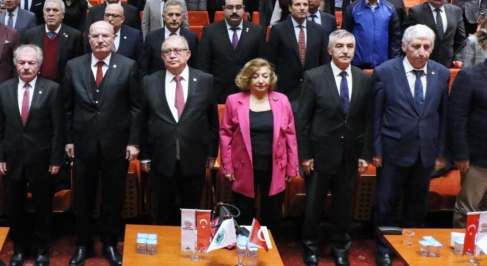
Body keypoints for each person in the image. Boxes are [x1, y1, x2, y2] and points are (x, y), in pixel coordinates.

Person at [63, 21, 143, 266]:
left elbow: (137, 108)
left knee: (113, 198)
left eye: (105, 36)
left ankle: (109, 243)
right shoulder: (73, 66)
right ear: (88, 39)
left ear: (113, 39)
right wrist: (68, 139)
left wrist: (134, 142)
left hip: (116, 145)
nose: (100, 40)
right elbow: (66, 108)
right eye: (95, 36)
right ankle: (83, 244)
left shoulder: (128, 66)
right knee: (83, 198)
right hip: (82, 144)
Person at [371, 25, 450, 266]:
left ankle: (409, 245)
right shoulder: (385, 72)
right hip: (393, 150)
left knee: (417, 203)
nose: (422, 52)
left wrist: (441, 152)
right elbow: (375, 115)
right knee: (387, 202)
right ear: (404, 46)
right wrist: (376, 150)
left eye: (427, 47)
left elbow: (443, 116)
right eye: (416, 46)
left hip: (425, 151)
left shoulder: (441, 73)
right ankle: (383, 247)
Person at [297, 30, 374, 266]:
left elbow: (368, 119)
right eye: (340, 46)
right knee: (313, 206)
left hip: (350, 154)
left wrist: (365, 154)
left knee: (343, 206)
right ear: (330, 50)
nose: (345, 51)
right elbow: (303, 121)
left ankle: (340, 247)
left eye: (350, 46)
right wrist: (305, 155)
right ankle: (310, 247)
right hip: (319, 154)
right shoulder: (314, 77)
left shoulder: (364, 78)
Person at [0, 45, 64, 266]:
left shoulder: (52, 89)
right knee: (15, 208)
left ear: (39, 65)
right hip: (12, 159)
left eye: (31, 63)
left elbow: (58, 129)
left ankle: (42, 249)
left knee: (44, 207)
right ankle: (19, 248)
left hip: (42, 160)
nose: (26, 67)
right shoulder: (3, 89)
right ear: (16, 65)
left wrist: (56, 159)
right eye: (22, 63)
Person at [141, 35, 217, 225]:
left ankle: (189, 249)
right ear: (162, 56)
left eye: (177, 51)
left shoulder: (205, 80)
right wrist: (144, 155)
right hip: (160, 156)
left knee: (191, 209)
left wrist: (211, 153)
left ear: (188, 54)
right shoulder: (149, 81)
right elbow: (142, 120)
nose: (172, 55)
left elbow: (212, 120)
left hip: (194, 156)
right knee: (160, 208)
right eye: (167, 52)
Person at [220, 59, 298, 235]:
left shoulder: (282, 100)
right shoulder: (234, 100)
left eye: (265, 76)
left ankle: (270, 251)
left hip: (275, 166)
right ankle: (243, 248)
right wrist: (227, 166)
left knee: (272, 212)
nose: (261, 80)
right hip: (243, 166)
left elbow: (291, 136)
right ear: (247, 79)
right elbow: (225, 135)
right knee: (243, 211)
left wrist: (292, 167)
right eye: (255, 76)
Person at [264, 0, 330, 113]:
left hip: (313, 89)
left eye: (305, 4)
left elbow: (324, 62)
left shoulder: (319, 30)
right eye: (298, 4)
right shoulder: (278, 30)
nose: (302, 8)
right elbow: (270, 62)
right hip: (286, 90)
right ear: (290, 8)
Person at [196, 0, 265, 105]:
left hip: (249, 91)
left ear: (243, 8)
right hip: (218, 94)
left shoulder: (256, 31)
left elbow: (262, 63)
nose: (234, 11)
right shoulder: (210, 31)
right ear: (223, 9)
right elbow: (203, 65)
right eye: (230, 7)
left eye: (238, 7)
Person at [449, 34, 487, 227]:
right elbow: (457, 118)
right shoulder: (469, 76)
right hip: (477, 158)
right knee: (468, 210)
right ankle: (463, 254)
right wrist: (461, 155)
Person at [343, 0, 402, 69]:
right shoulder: (352, 8)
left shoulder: (390, 8)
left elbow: (395, 38)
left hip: (383, 64)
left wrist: (394, 61)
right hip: (357, 64)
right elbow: (346, 35)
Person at [403, 0, 466, 67]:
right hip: (423, 60)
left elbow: (461, 39)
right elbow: (406, 38)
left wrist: (458, 58)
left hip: (447, 62)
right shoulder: (416, 12)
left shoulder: (456, 11)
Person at [23, 0, 84, 83]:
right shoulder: (30, 34)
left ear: (63, 14)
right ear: (43, 14)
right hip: (36, 86)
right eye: (47, 10)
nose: (51, 14)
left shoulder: (75, 36)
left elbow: (77, 67)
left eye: (55, 10)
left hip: (63, 87)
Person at [85, 3, 147, 73]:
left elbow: (142, 65)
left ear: (122, 19)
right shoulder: (95, 34)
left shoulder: (134, 35)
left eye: (115, 16)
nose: (110, 19)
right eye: (107, 15)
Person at [143, 0, 198, 74]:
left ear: (182, 17)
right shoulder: (151, 37)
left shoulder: (191, 37)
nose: (174, 18)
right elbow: (145, 66)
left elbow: (196, 65)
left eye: (177, 15)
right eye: (170, 14)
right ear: (163, 17)